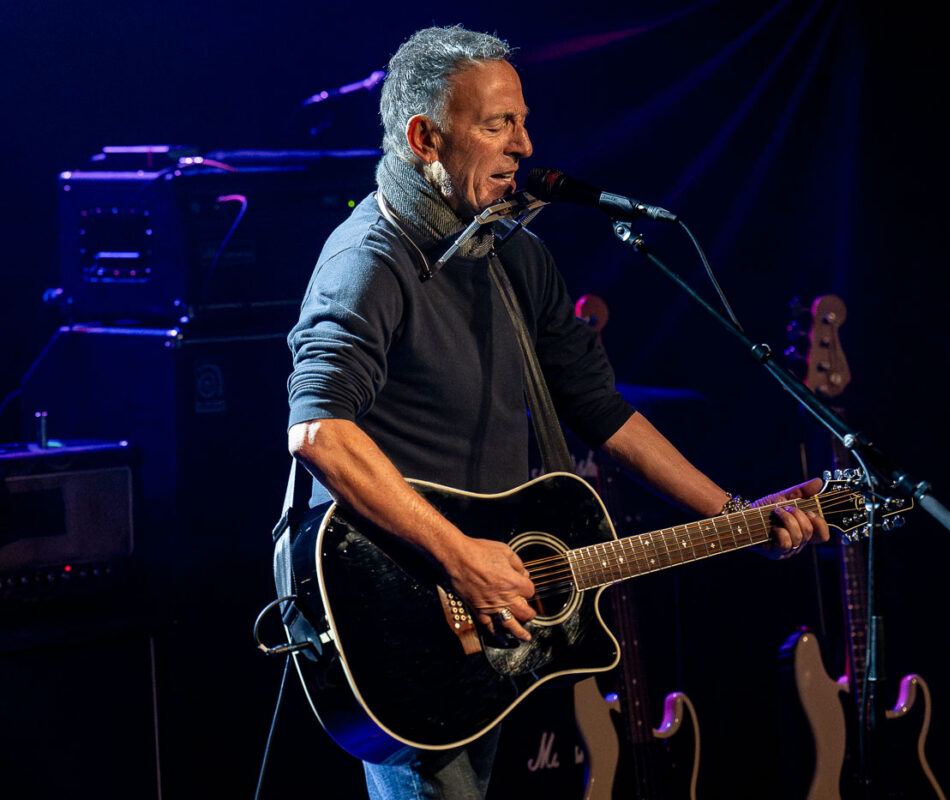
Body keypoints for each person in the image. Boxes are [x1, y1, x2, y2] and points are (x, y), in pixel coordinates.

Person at [285, 24, 830, 800]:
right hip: (405, 608)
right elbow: (318, 432)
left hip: (505, 611)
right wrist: (459, 554)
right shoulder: (369, 260)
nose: (523, 144)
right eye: (497, 123)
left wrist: (739, 516)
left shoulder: (514, 253)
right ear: (425, 138)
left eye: (524, 121)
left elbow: (603, 413)